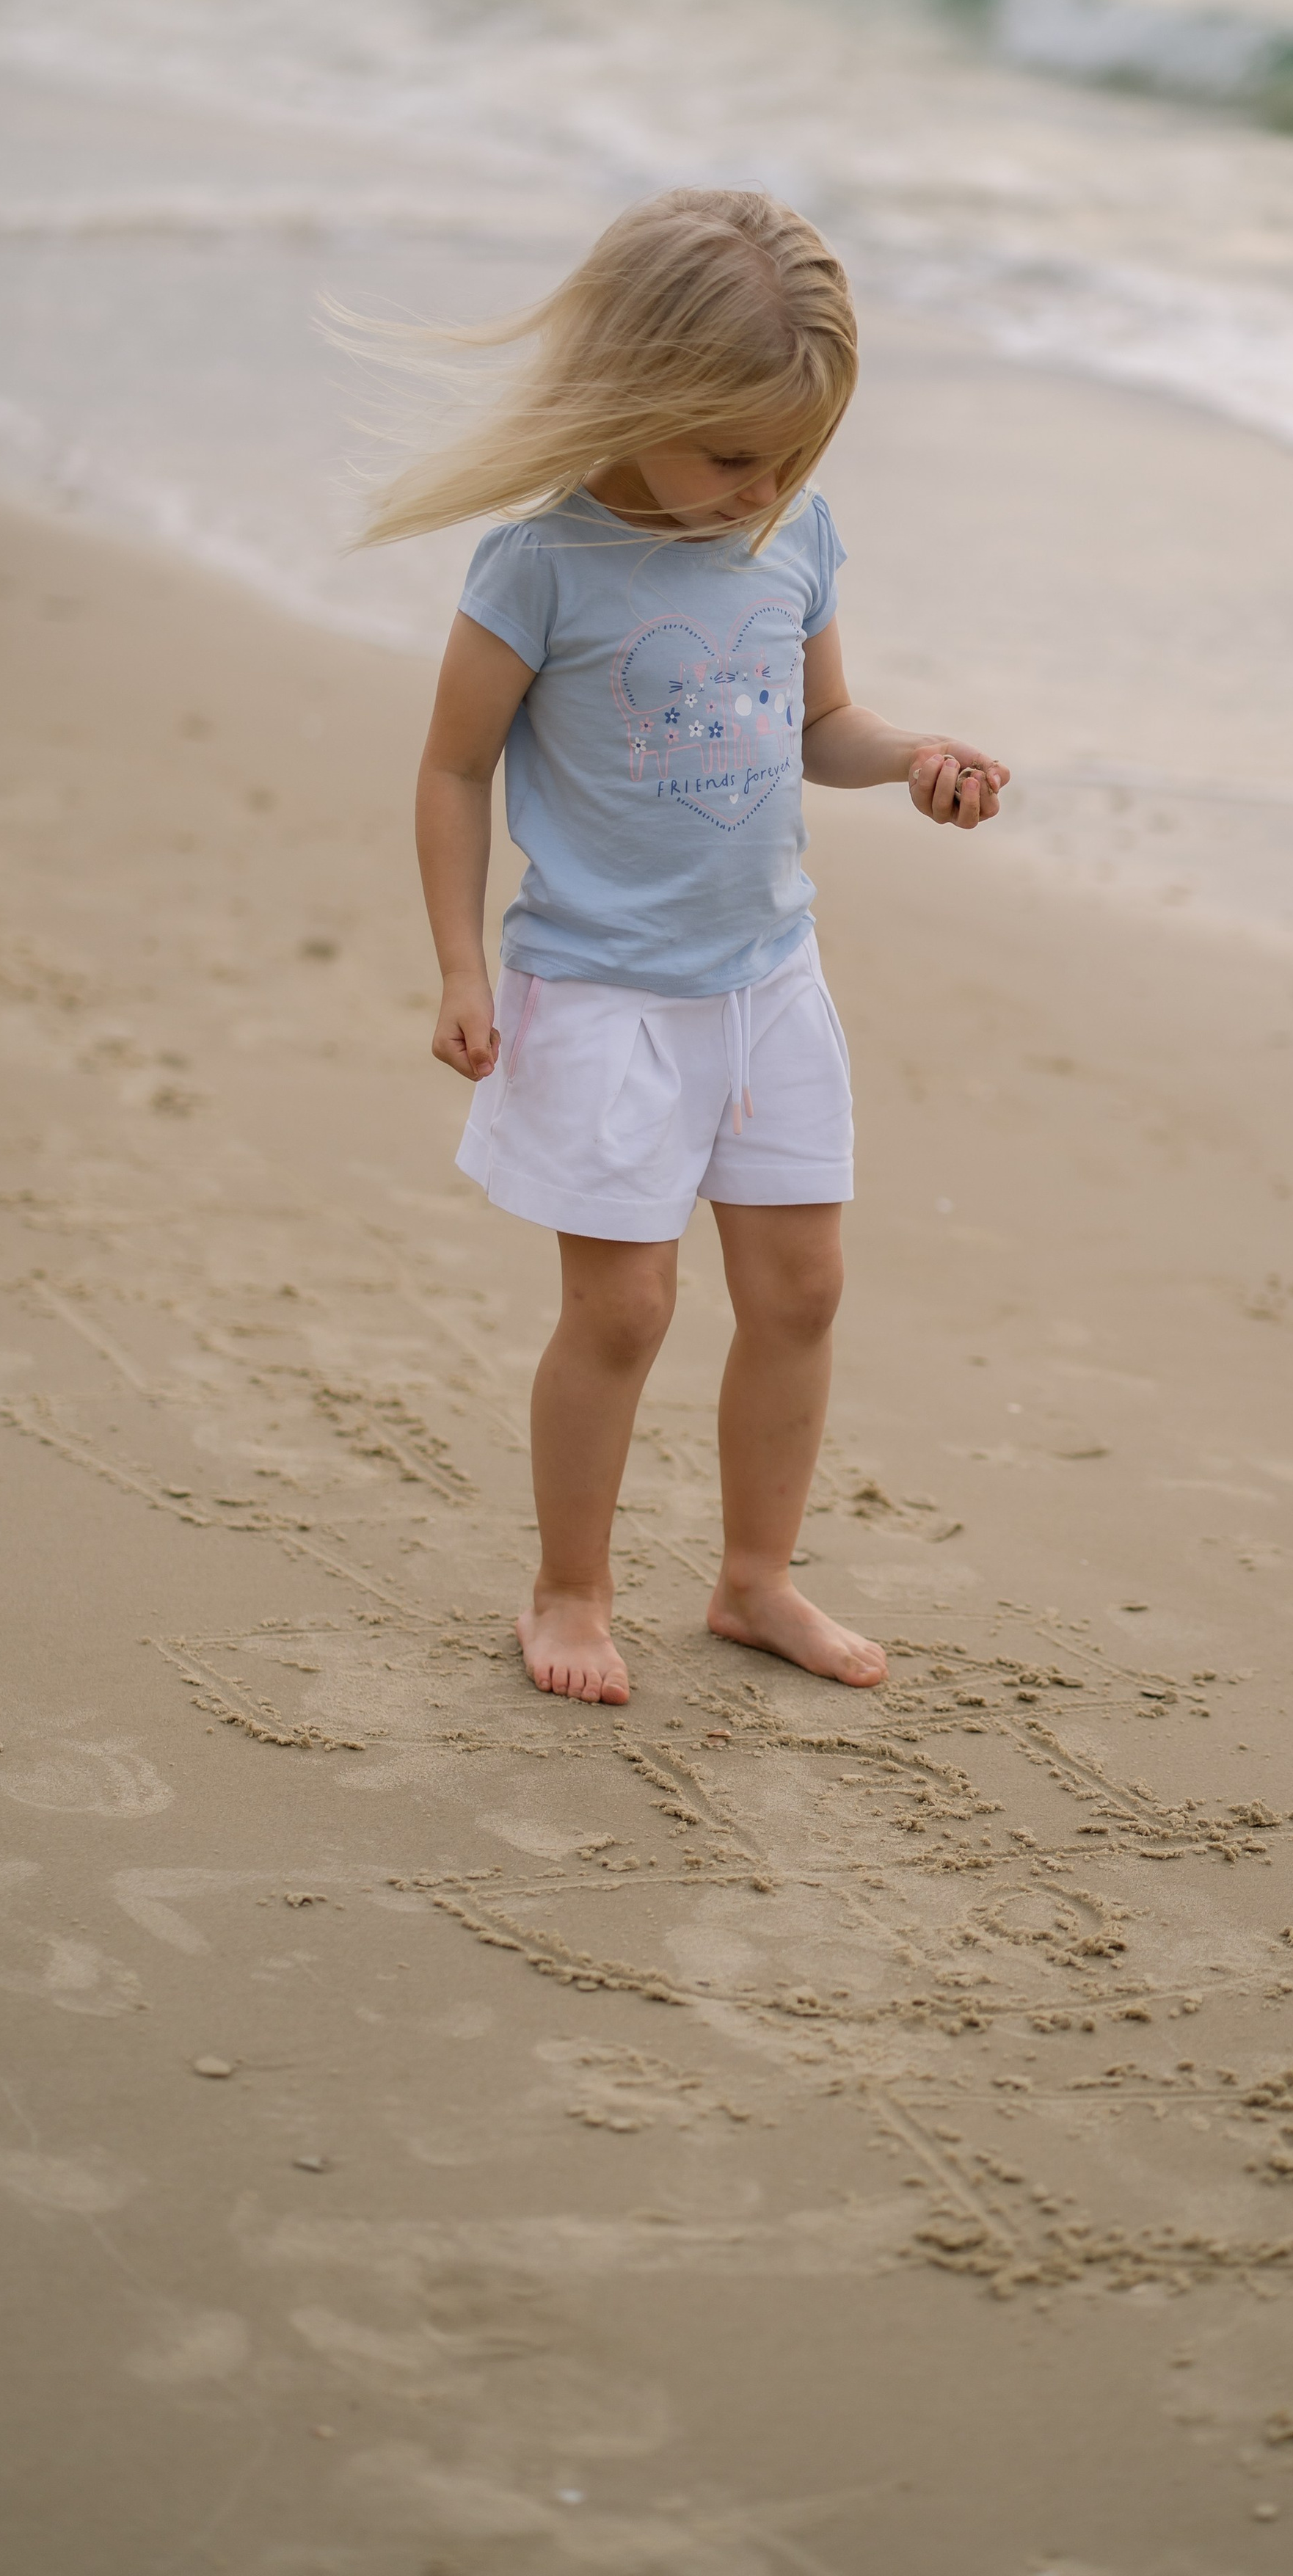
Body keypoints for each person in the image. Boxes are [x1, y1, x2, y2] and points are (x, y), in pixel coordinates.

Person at [374, 188, 1009, 1706]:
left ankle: (753, 1580)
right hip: (596, 991)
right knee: (625, 1306)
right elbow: (453, 767)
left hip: (767, 984)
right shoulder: (540, 566)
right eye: (732, 452)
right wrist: (462, 967)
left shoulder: (791, 532)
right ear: (634, 395)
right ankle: (570, 1590)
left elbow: (817, 730)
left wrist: (912, 755)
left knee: (799, 1292)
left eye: (795, 454)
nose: (763, 484)